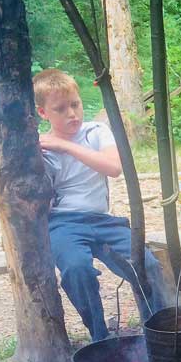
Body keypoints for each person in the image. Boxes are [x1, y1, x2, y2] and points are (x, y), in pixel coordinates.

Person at [34, 69, 169, 341]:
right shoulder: (42, 147)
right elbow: (40, 198)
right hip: (64, 224)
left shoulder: (96, 132)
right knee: (76, 269)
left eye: (75, 104)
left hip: (103, 221)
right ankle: (100, 337)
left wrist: (66, 146)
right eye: (60, 109)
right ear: (43, 113)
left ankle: (158, 331)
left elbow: (113, 168)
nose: (72, 113)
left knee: (147, 265)